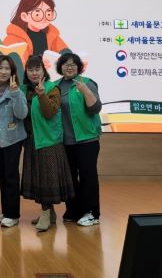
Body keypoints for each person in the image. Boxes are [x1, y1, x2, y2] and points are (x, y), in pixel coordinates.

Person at [21, 55, 74, 232]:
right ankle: (49, 214)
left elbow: (50, 112)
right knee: (39, 178)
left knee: (47, 179)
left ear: (44, 71)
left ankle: (45, 214)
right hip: (31, 140)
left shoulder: (52, 88)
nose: (34, 73)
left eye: (37, 69)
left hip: (48, 140)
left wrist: (42, 94)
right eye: (30, 69)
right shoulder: (24, 90)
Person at [51, 53, 102, 227]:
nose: (69, 67)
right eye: (65, 64)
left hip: (87, 139)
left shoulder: (87, 83)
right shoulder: (55, 86)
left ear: (79, 67)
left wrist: (85, 91)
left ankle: (91, 213)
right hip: (65, 141)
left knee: (88, 176)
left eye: (73, 64)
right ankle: (74, 210)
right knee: (70, 177)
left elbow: (95, 108)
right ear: (60, 67)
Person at [0, 55, 28, 228]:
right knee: (3, 175)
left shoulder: (16, 90)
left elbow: (22, 114)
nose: (3, 71)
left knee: (11, 176)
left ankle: (13, 214)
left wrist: (15, 95)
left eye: (7, 68)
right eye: (0, 68)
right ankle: (6, 211)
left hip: (13, 139)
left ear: (12, 72)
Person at [3, 0, 71, 68]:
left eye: (48, 14)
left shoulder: (51, 34)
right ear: (24, 16)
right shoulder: (13, 38)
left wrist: (71, 60)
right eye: (37, 15)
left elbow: (64, 50)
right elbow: (11, 65)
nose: (44, 18)